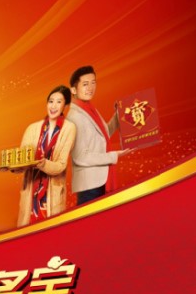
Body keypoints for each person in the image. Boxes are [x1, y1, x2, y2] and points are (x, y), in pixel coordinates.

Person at [13, 86, 78, 227]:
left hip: (52, 194)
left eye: (59, 102)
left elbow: (61, 165)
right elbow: (22, 161)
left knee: (51, 233)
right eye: (51, 101)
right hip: (30, 194)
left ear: (65, 105)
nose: (53, 106)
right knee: (27, 233)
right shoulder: (32, 128)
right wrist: (14, 167)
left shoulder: (69, 128)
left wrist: (43, 164)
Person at [66, 65, 123, 204]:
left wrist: (119, 114)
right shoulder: (74, 117)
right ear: (73, 90)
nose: (90, 88)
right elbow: (80, 157)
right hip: (90, 185)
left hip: (100, 179)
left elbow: (103, 135)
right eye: (85, 84)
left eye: (93, 83)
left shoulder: (90, 109)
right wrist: (113, 156)